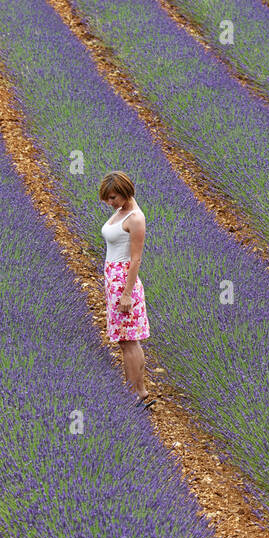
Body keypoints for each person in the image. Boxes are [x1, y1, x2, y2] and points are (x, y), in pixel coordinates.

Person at [99, 171, 154, 408]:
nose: (110, 203)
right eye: (108, 198)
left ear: (125, 192)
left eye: (113, 197)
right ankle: (132, 390)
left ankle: (138, 393)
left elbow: (136, 260)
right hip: (114, 281)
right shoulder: (121, 212)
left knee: (130, 341)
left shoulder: (135, 218)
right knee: (124, 341)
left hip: (124, 283)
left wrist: (127, 294)